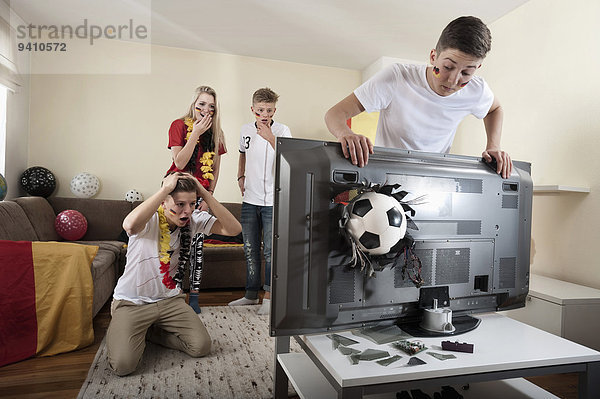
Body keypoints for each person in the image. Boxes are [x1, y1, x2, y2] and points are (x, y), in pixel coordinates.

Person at [324, 16, 512, 178]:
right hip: (385, 180)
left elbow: (495, 109)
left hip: (433, 180)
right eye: (448, 67)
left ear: (477, 69)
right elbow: (334, 114)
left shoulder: (476, 90)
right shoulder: (397, 77)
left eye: (466, 72)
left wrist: (493, 145)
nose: (454, 80)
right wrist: (345, 133)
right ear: (433, 56)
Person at [106, 172, 241, 376]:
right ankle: (132, 330)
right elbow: (129, 226)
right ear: (163, 202)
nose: (187, 211)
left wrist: (204, 192)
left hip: (170, 300)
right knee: (123, 366)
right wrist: (164, 190)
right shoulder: (149, 219)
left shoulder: (194, 219)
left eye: (192, 203)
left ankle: (150, 332)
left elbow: (234, 229)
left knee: (201, 346)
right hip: (132, 302)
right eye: (179, 204)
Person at [228, 88, 292, 315]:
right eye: (260, 110)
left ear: (274, 110)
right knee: (250, 249)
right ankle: (250, 295)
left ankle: (269, 296)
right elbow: (242, 154)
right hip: (250, 199)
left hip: (273, 201)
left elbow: (290, 159)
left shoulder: (282, 130)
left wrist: (271, 138)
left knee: (270, 252)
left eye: (269, 110)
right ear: (253, 110)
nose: (264, 114)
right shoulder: (245, 130)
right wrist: (240, 176)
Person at [166, 86, 227, 313]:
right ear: (193, 104)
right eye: (201, 104)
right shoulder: (179, 125)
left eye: (211, 106)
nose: (205, 110)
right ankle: (173, 294)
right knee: (173, 246)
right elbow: (180, 163)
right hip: (176, 192)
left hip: (200, 196)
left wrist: (208, 197)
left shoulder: (217, 133)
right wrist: (195, 134)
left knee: (197, 247)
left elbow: (215, 169)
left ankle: (194, 296)